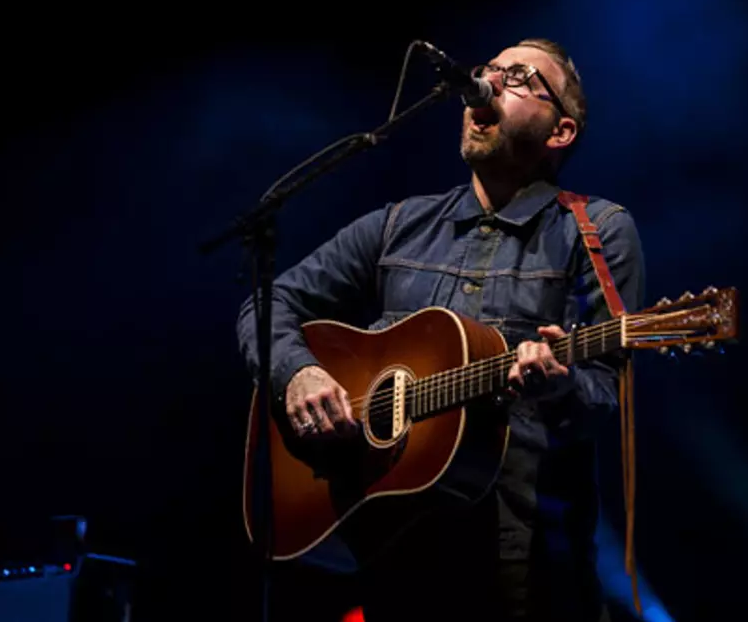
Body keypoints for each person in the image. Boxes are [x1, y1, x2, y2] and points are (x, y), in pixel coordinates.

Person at [236, 37, 646, 622]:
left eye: (522, 76)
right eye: (489, 70)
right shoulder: (398, 224)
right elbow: (266, 304)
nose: (492, 82)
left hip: (526, 562)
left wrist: (560, 386)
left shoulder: (598, 230)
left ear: (560, 132)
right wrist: (296, 372)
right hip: (394, 554)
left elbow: (607, 392)